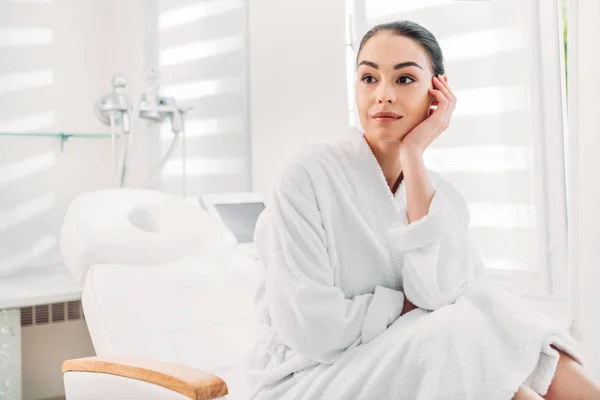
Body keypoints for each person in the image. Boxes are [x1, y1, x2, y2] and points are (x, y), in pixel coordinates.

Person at [245, 20, 598, 400]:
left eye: (404, 79)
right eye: (368, 78)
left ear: (437, 93)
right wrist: (405, 305)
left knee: (490, 308)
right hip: (307, 377)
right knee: (453, 334)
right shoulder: (305, 174)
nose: (383, 95)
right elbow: (313, 329)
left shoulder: (435, 194)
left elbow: (438, 294)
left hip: (396, 355)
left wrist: (413, 156)